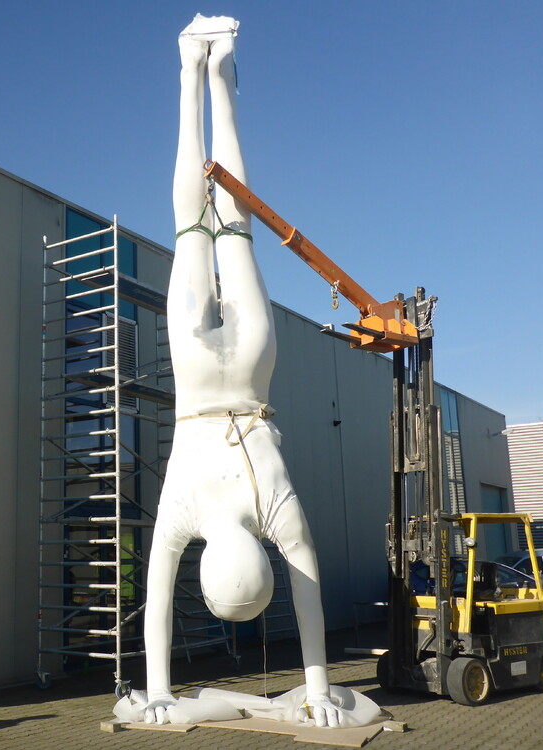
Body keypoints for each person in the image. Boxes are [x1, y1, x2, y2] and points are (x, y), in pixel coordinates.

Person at [141, 15, 342, 727]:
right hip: (197, 381)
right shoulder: (184, 515)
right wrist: (158, 687)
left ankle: (219, 69)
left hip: (252, 366)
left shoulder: (276, 512)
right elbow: (157, 594)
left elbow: (308, 589)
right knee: (195, 224)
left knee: (231, 220)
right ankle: (191, 69)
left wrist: (318, 688)